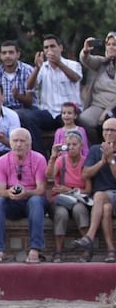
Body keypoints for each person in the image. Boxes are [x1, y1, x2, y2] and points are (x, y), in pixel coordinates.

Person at [0, 128, 48, 264]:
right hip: (12, 201)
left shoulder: (39, 159)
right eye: (15, 141)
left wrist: (26, 193)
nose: (18, 144)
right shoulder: (1, 161)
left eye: (22, 141)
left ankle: (36, 248)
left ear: (29, 144)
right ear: (10, 143)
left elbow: (41, 190)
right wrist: (9, 193)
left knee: (36, 201)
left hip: (31, 200)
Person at [24, 34, 82, 155]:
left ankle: (67, 160)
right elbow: (29, 87)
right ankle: (40, 156)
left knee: (71, 123)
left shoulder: (73, 65)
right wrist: (36, 68)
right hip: (49, 112)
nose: (49, 50)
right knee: (28, 118)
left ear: (60, 48)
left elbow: (75, 78)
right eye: (46, 48)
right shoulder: (42, 67)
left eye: (52, 46)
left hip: (68, 112)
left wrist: (59, 63)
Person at [72, 119, 116, 263]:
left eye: (112, 130)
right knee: (106, 208)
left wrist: (110, 160)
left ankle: (89, 237)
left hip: (113, 193)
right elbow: (85, 174)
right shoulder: (96, 150)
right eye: (105, 130)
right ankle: (110, 251)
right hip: (100, 199)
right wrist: (102, 162)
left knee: (100, 195)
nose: (108, 133)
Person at [47, 130, 90, 263]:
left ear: (81, 146)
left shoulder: (86, 162)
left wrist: (70, 190)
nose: (71, 148)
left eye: (74, 144)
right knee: (61, 213)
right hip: (60, 200)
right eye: (68, 145)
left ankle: (87, 247)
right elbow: (49, 176)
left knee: (79, 210)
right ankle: (58, 250)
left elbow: (88, 190)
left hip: (77, 198)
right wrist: (53, 157)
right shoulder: (61, 161)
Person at [77, 32, 116, 137]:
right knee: (83, 119)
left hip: (113, 106)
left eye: (114, 44)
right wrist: (85, 51)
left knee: (109, 122)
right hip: (97, 105)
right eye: (108, 44)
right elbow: (87, 60)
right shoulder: (102, 62)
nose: (111, 47)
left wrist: (107, 111)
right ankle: (95, 146)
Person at [0, 40, 36, 125]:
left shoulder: (27, 71)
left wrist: (18, 96)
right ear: (0, 56)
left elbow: (30, 102)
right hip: (4, 110)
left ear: (18, 54)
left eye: (11, 52)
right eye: (4, 53)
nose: (7, 56)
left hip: (25, 110)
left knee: (20, 115)